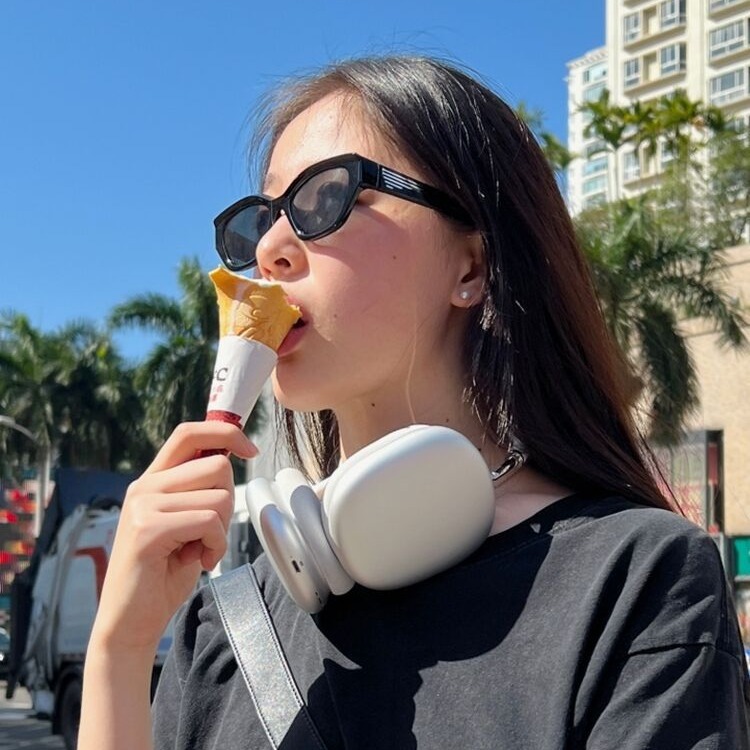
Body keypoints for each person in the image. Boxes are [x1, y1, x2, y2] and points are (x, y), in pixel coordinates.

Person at [79, 55, 750, 749]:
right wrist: (119, 649)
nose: (271, 248)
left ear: (471, 266)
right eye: (262, 218)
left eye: (325, 197)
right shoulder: (226, 625)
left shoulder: (636, 577)